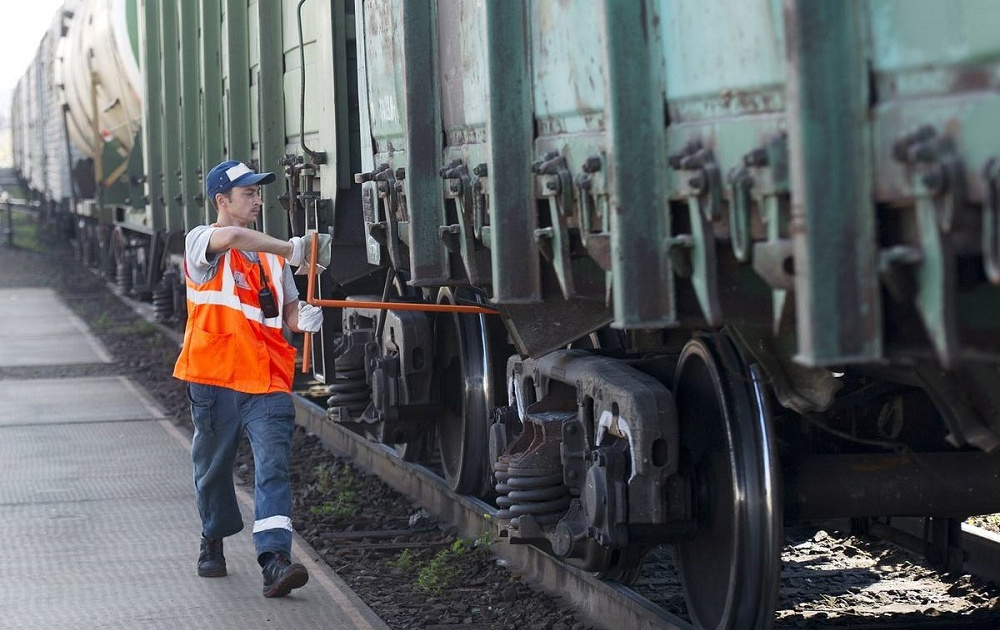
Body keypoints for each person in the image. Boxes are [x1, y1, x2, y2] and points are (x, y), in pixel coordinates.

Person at [172, 159, 330, 598]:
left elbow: (288, 309)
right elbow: (236, 237)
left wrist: (304, 320)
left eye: (259, 192)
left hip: (266, 379)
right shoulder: (201, 241)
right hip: (216, 378)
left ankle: (274, 560)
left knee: (273, 468)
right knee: (213, 470)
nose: (258, 199)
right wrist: (292, 249)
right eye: (249, 193)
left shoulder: (270, 258)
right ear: (222, 201)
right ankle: (213, 537)